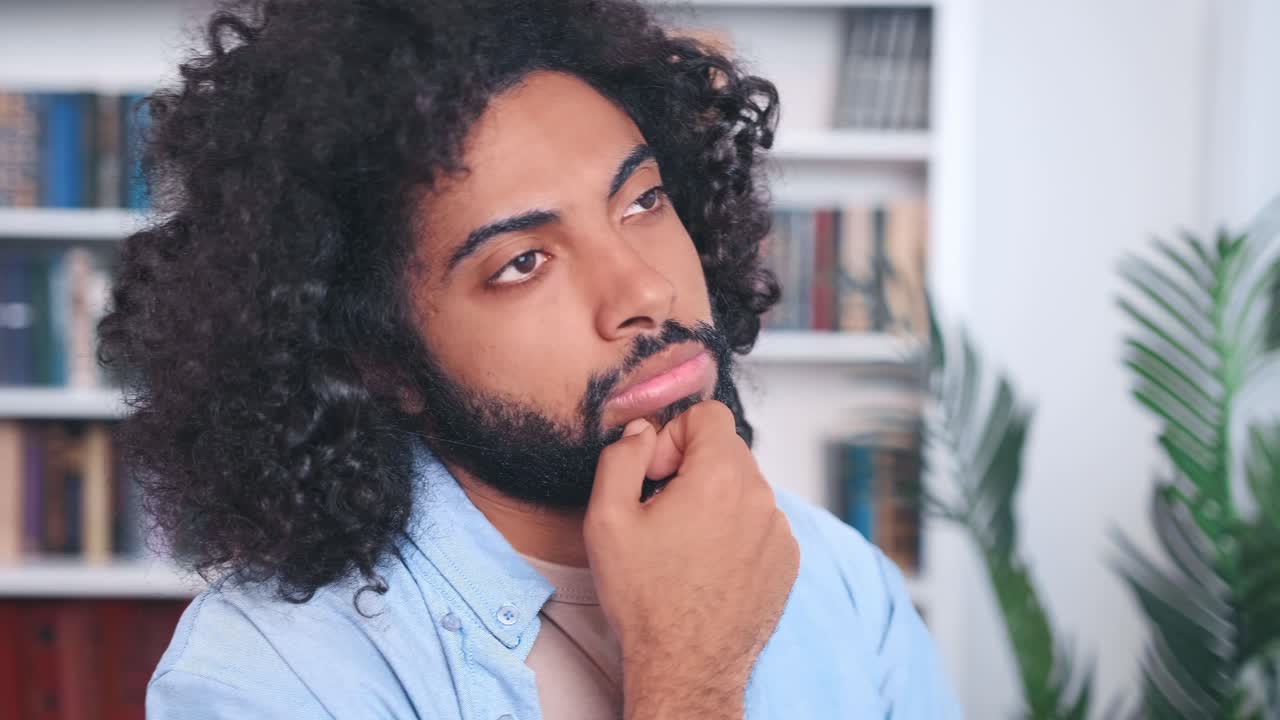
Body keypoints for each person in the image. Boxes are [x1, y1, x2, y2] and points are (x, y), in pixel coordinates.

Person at [100, 0, 960, 717]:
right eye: (522, 262)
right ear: (378, 363)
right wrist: (688, 677)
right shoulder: (270, 679)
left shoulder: (838, 579)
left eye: (643, 200)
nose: (644, 291)